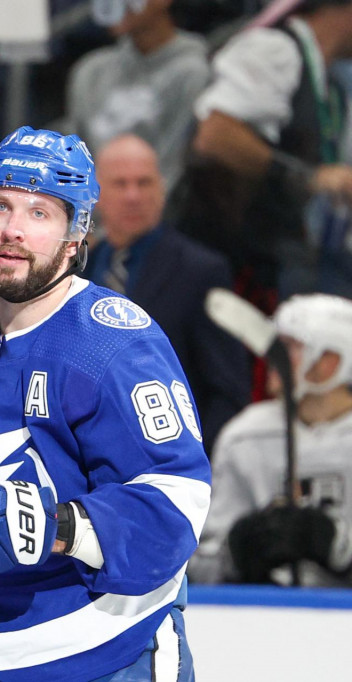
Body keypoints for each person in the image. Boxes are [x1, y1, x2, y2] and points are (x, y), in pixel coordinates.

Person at [0, 127, 212, 681]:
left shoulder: (114, 342)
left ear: (75, 235)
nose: (13, 231)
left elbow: (177, 503)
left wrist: (54, 527)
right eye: (2, 206)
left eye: (40, 213)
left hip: (108, 649)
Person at [178, 0, 352, 308]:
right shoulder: (276, 49)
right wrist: (306, 176)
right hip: (231, 269)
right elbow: (216, 135)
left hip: (280, 260)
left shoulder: (332, 83)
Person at [87, 133, 249, 454]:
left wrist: (192, 465)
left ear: (161, 189)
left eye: (144, 183)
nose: (133, 196)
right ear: (96, 193)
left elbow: (227, 389)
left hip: (169, 457)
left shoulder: (200, 270)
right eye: (120, 184)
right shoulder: (79, 267)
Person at [190, 293, 352, 587]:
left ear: (330, 361)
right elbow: (200, 566)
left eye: (289, 346)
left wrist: (340, 549)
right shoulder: (245, 436)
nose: (271, 356)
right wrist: (237, 551)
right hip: (267, 620)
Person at [63, 0, 209, 193]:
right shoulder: (90, 72)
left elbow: (173, 168)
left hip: (156, 215)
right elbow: (74, 161)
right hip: (92, 213)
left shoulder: (193, 73)